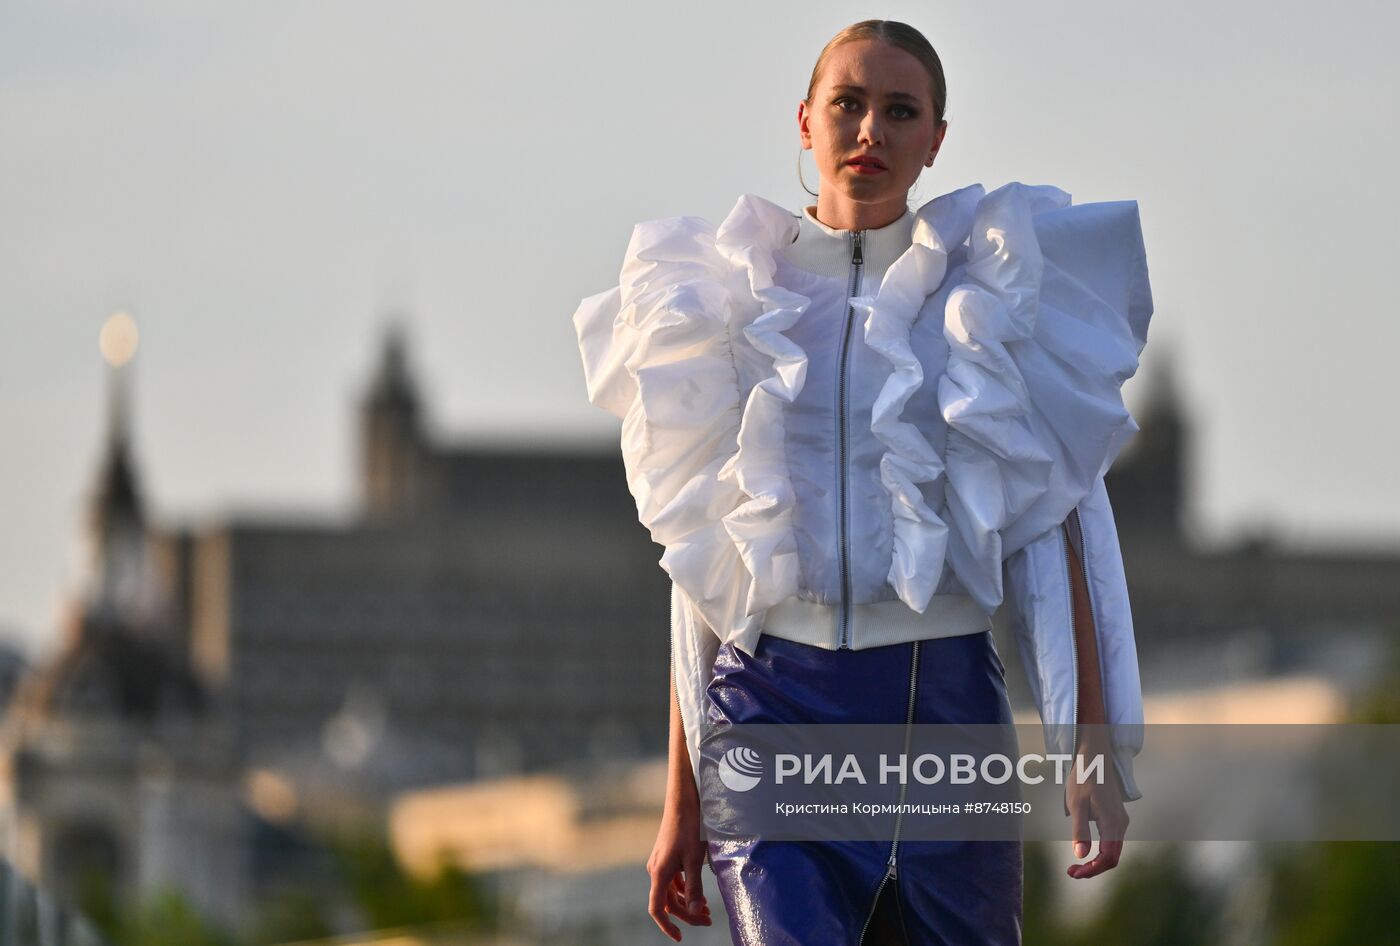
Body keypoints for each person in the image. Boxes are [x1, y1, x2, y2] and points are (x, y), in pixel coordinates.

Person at [572, 19, 1151, 945]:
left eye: (899, 110)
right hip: (770, 714)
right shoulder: (728, 305)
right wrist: (679, 802)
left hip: (946, 717)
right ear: (806, 122)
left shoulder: (986, 303)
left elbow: (1061, 532)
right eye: (848, 103)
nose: (870, 128)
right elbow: (702, 577)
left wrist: (1090, 749)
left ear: (935, 141)